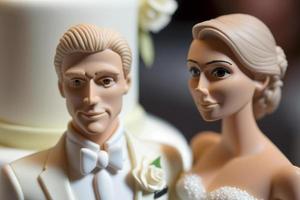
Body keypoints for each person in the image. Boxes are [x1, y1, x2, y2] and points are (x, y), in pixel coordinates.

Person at [0, 24, 183, 200]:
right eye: (77, 82)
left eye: (105, 81)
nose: (91, 98)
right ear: (62, 88)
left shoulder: (167, 160)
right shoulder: (20, 178)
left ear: (127, 83)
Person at [176, 14, 300, 200]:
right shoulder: (202, 147)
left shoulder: (285, 178)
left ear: (261, 79)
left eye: (219, 72)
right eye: (194, 71)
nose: (200, 87)